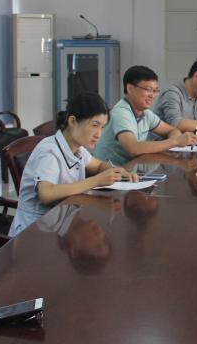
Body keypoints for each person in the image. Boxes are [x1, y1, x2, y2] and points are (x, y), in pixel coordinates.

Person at [9, 92, 136, 237]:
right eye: (95, 125)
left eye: (102, 127)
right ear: (72, 121)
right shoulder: (49, 151)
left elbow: (97, 166)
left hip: (61, 222)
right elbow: (46, 194)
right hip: (34, 232)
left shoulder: (77, 148)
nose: (99, 134)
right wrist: (96, 181)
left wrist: (116, 171)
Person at [93, 65, 197, 166]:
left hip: (128, 170)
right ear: (130, 88)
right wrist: (175, 142)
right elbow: (133, 148)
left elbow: (172, 130)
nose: (152, 95)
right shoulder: (121, 112)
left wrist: (174, 140)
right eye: (148, 90)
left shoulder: (145, 113)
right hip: (107, 173)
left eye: (155, 90)